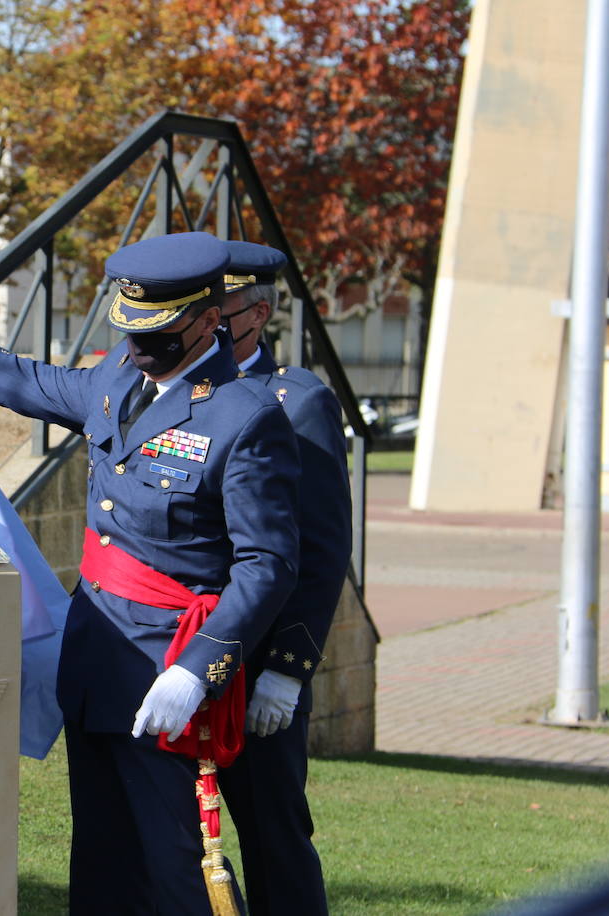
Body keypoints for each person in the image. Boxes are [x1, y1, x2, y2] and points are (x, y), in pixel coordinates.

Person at [0, 231, 301, 914]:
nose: (142, 349)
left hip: (165, 668)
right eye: (133, 331)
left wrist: (196, 669)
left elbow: (269, 565)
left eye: (160, 333)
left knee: (167, 864)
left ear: (209, 319)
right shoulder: (121, 374)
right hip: (97, 656)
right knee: (104, 858)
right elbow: (34, 384)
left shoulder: (245, 418)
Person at [214, 240, 352, 916]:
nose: (203, 316)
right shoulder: (167, 390)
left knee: (273, 835)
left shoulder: (297, 402)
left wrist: (288, 669)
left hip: (258, 663)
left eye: (219, 305)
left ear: (257, 312)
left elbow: (322, 549)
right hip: (179, 648)